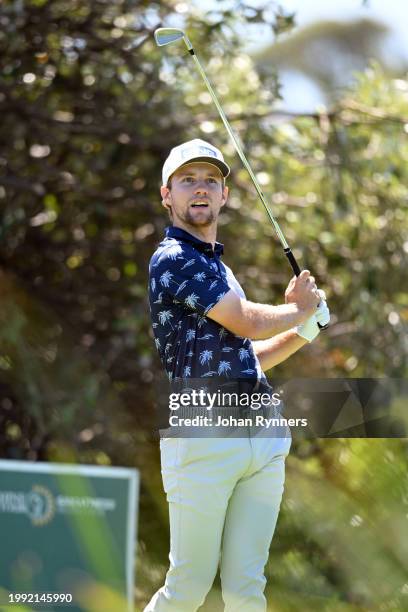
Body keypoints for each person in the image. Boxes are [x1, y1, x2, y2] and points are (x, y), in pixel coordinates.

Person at [145, 139, 330, 611]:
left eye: (211, 180)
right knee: (188, 586)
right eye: (188, 180)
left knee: (247, 587)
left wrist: (304, 328)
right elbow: (247, 320)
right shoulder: (173, 259)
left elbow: (247, 357)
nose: (200, 189)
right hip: (204, 434)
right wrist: (298, 309)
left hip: (261, 433)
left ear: (225, 195)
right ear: (167, 194)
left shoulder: (218, 267)